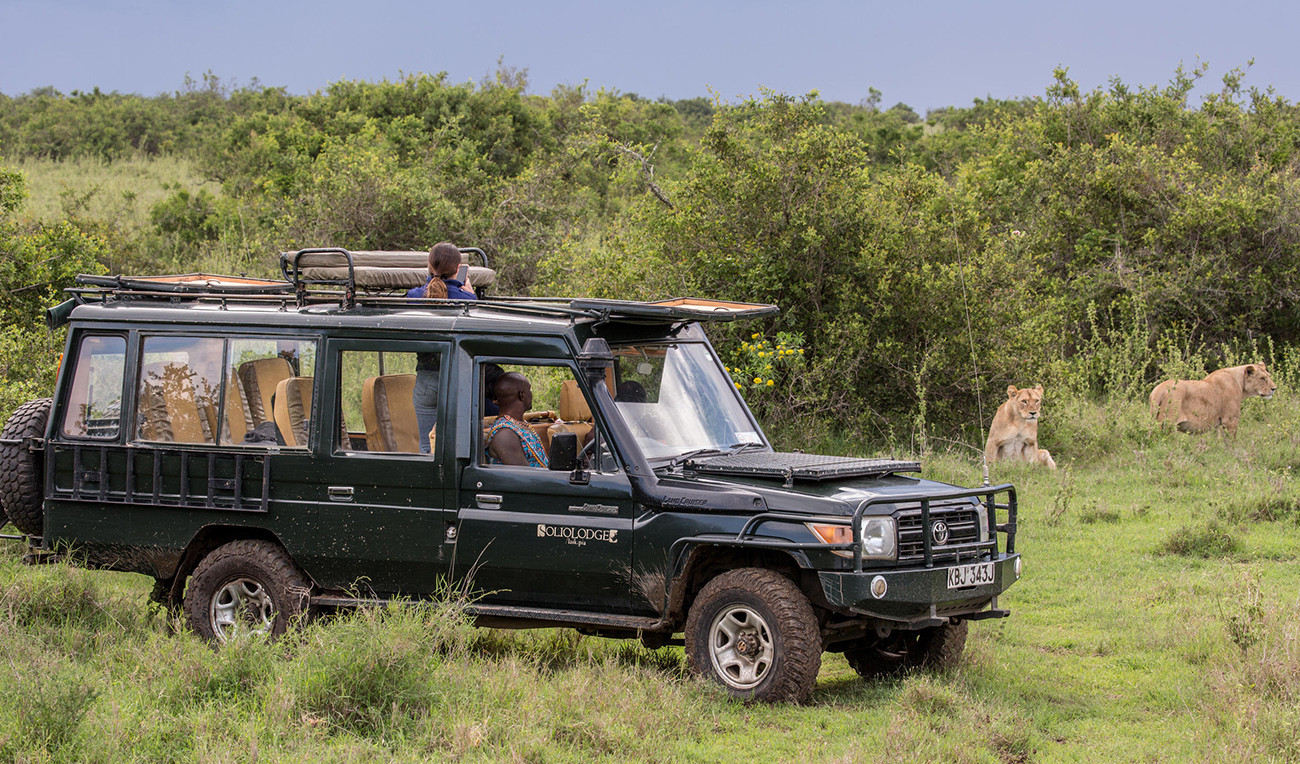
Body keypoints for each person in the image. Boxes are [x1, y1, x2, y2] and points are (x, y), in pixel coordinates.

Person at [412, 242, 476, 453]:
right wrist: (471, 296)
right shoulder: (467, 301)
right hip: (458, 379)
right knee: (459, 447)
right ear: (458, 270)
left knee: (426, 447)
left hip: (426, 379)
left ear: (429, 266)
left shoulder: (413, 297)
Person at [485, 372, 548, 467]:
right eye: (529, 390)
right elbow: (526, 478)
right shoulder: (505, 434)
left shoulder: (519, 425)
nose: (531, 393)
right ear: (522, 395)